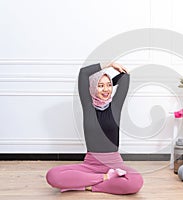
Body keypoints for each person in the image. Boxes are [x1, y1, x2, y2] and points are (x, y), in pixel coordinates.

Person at [46, 63, 143, 194]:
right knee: (52, 175)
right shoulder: (88, 107)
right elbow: (83, 74)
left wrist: (109, 79)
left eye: (108, 85)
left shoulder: (115, 107)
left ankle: (88, 186)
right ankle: (106, 179)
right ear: (92, 87)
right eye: (100, 86)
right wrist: (109, 64)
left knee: (136, 181)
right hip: (90, 166)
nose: (106, 89)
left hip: (115, 165)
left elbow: (125, 77)